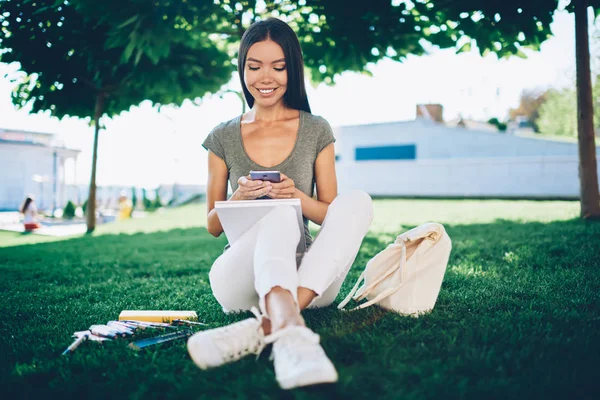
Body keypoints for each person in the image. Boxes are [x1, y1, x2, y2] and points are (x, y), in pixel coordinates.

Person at [186, 18, 373, 390]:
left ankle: (273, 322)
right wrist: (238, 197)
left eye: (278, 66)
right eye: (254, 67)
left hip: (311, 277)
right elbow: (212, 225)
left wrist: (297, 198)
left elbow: (330, 217)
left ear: (293, 69)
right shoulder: (222, 137)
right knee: (277, 217)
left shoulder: (316, 129)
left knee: (357, 202)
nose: (264, 77)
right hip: (240, 279)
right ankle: (286, 326)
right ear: (242, 70)